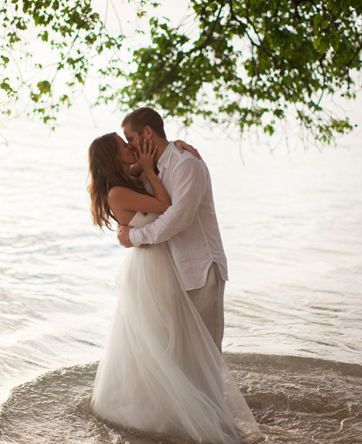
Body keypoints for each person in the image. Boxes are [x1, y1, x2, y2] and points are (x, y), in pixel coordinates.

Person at [87, 129, 262, 443]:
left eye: (131, 140)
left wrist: (174, 146)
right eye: (123, 145)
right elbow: (164, 202)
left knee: (173, 341)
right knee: (158, 342)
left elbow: (164, 166)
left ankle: (185, 407)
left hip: (160, 266)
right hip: (150, 270)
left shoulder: (131, 177)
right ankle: (166, 411)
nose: (130, 147)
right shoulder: (119, 190)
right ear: (114, 157)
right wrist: (151, 169)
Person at [117, 107, 227, 353]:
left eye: (131, 139)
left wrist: (133, 237)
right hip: (167, 274)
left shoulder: (186, 164)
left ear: (147, 132)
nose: (130, 146)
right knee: (176, 355)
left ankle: (209, 394)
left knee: (205, 353)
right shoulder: (146, 169)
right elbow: (130, 207)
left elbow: (178, 219)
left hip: (199, 269)